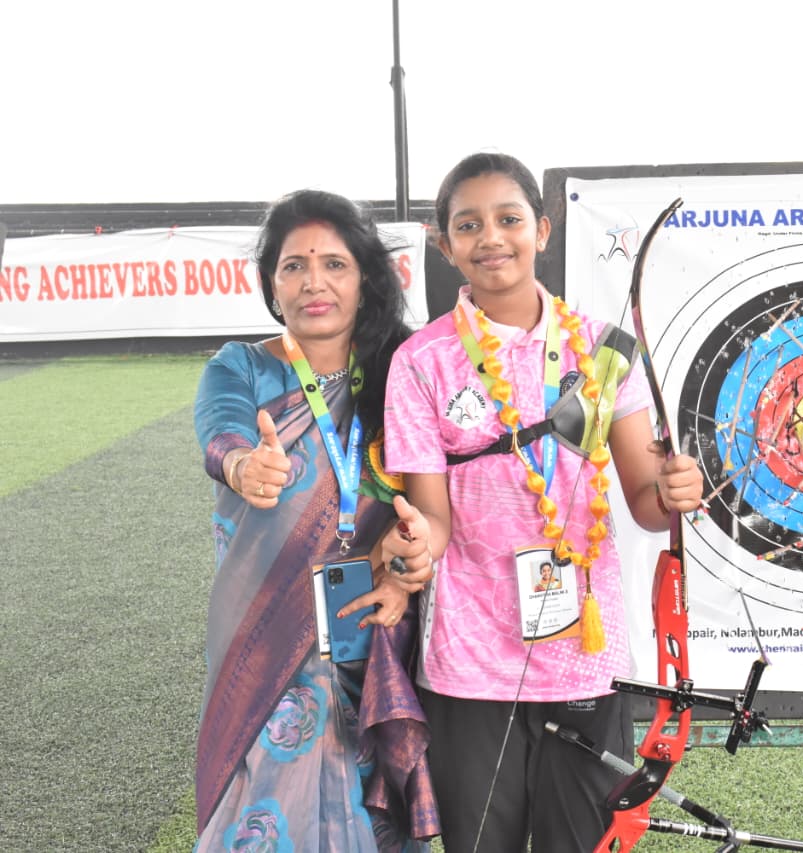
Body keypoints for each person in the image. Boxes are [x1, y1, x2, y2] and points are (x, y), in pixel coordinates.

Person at [380, 153, 704, 852]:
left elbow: (647, 502)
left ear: (542, 230)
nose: (491, 238)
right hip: (468, 662)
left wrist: (674, 491)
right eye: (468, 225)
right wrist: (415, 544)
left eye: (509, 219)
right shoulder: (421, 361)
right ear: (444, 245)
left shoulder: (603, 349)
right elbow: (432, 518)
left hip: (582, 655)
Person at [193, 189, 439, 851]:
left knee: (373, 802)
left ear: (366, 278)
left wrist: (409, 562)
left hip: (375, 627)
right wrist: (243, 465)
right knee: (261, 801)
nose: (313, 282)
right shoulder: (240, 367)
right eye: (293, 266)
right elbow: (221, 432)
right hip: (265, 632)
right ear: (272, 284)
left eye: (334, 264)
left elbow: (436, 500)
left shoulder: (402, 370)